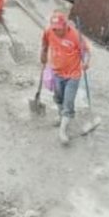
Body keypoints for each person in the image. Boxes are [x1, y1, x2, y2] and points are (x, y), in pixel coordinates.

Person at [40, 11, 91, 145]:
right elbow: (45, 45)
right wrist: (43, 56)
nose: (57, 31)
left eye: (59, 29)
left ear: (65, 26)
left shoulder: (75, 35)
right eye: (54, 29)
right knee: (58, 98)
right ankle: (60, 115)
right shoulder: (48, 31)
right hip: (57, 72)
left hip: (73, 75)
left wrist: (85, 62)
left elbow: (85, 51)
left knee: (68, 102)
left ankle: (62, 130)